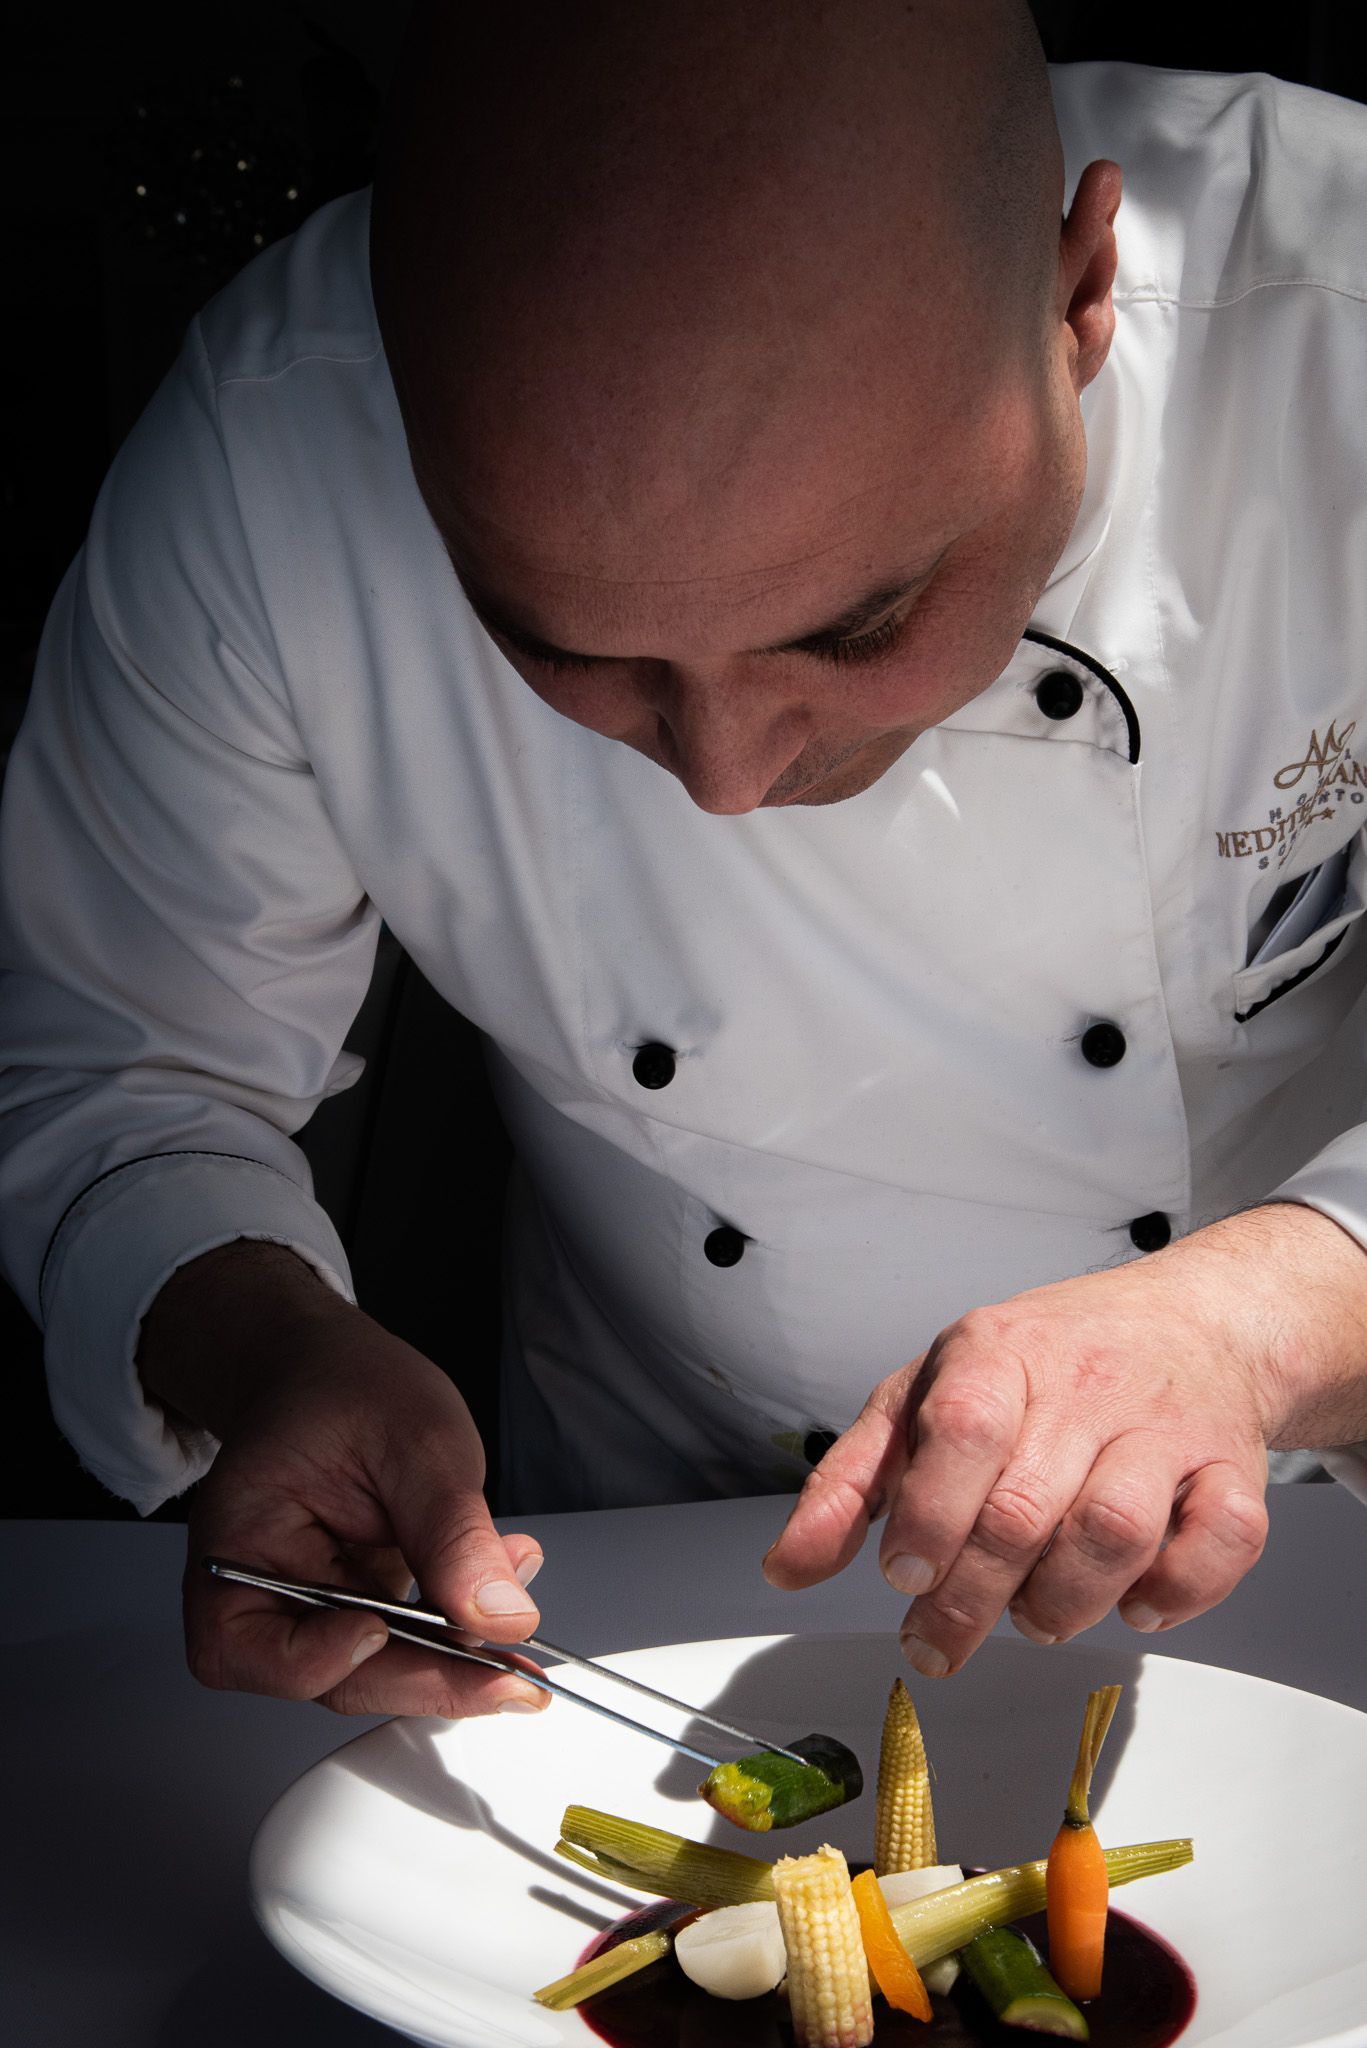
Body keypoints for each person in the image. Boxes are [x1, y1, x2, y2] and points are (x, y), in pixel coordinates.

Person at [1, 0, 1365, 1725]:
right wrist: (262, 1342)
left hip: (1308, 1535)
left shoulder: (1345, 333)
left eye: (859, 623)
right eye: (574, 653)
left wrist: (1263, 1322)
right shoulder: (272, 461)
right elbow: (117, 1073)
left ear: (1077, 293)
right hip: (607, 1581)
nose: (724, 777)